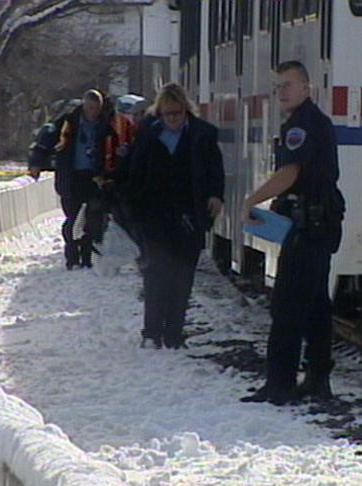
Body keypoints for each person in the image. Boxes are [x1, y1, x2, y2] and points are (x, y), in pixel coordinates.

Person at [240, 61, 345, 406]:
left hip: (307, 228)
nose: (282, 92)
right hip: (318, 224)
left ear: (306, 88)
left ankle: (280, 384)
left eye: (288, 85)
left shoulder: (300, 126)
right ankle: (317, 379)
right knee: (315, 306)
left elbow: (290, 172)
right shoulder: (313, 122)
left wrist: (252, 199)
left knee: (287, 307)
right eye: (278, 86)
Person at [122, 83, 225, 349]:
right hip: (154, 215)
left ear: (185, 110)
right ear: (160, 112)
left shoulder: (203, 135)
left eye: (178, 114)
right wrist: (131, 209)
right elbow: (135, 172)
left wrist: (215, 195)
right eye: (168, 114)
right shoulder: (148, 133)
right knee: (156, 274)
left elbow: (215, 170)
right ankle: (152, 331)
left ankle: (175, 332)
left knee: (182, 276)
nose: (173, 119)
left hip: (189, 215)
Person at [28, 89, 134, 270]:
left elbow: (124, 147)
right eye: (89, 108)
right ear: (83, 106)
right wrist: (36, 163)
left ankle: (87, 255)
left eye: (96, 108)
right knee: (72, 218)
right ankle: (72, 255)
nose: (92, 112)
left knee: (93, 218)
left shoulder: (109, 126)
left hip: (96, 179)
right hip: (71, 178)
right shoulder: (68, 123)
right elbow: (46, 142)